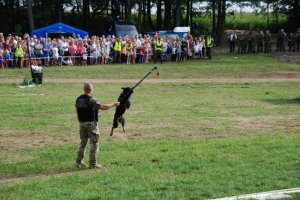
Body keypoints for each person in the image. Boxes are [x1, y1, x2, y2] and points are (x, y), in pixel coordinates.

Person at [75, 83, 119, 169]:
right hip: (91, 124)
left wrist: (80, 122)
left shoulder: (78, 99)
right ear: (91, 90)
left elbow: (77, 111)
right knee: (94, 143)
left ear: (84, 89)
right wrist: (114, 104)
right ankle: (93, 164)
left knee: (82, 143)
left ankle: (79, 162)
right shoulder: (92, 100)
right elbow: (103, 107)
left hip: (82, 123)